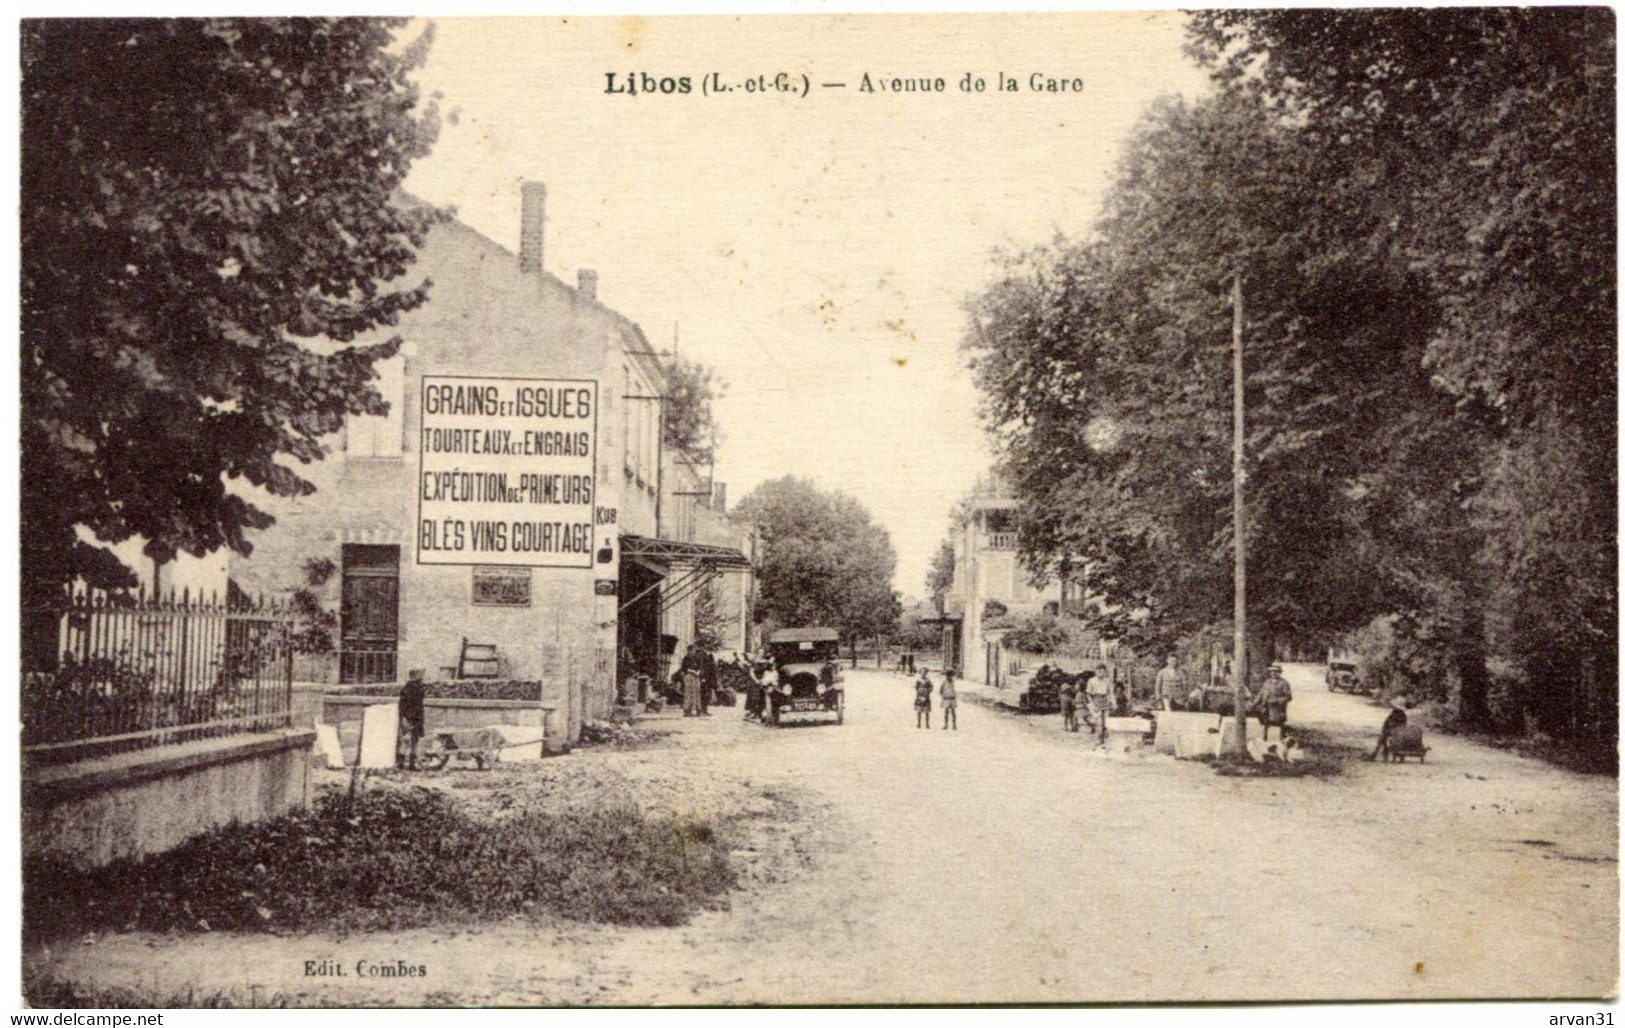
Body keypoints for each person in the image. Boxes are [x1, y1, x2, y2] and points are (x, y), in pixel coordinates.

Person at [398, 668, 427, 769]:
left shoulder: (410, 688)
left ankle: (408, 763)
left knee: (413, 739)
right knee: (409, 738)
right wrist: (404, 718)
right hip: (412, 718)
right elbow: (403, 706)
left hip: (415, 717)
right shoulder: (410, 689)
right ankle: (405, 763)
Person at [1255, 664, 1293, 733]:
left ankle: (1279, 738)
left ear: (1280, 673)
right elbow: (1261, 694)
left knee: (1276, 725)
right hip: (1266, 707)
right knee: (1265, 723)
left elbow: (1288, 697)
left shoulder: (1283, 683)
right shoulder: (1267, 682)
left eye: (1276, 671)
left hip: (1277, 709)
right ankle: (1265, 739)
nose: (1274, 673)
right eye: (1272, 671)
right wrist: (1254, 703)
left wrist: (1277, 701)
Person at [1370, 695, 1409, 760]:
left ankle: (1375, 754)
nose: (1392, 707)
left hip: (1395, 732)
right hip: (1394, 731)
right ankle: (1380, 754)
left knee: (1382, 738)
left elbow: (1395, 725)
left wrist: (1387, 729)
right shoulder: (1399, 713)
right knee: (1383, 737)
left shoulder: (1398, 714)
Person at [1084, 663, 1112, 738]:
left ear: (1105, 672)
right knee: (1097, 717)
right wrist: (1092, 703)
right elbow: (1088, 693)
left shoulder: (1107, 680)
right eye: (1098, 671)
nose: (1100, 673)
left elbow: (1110, 692)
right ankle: (1100, 732)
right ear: (1095, 671)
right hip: (1096, 699)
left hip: (1105, 699)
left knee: (1105, 717)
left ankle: (1104, 730)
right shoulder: (1091, 680)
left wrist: (1111, 701)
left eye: (1102, 671)